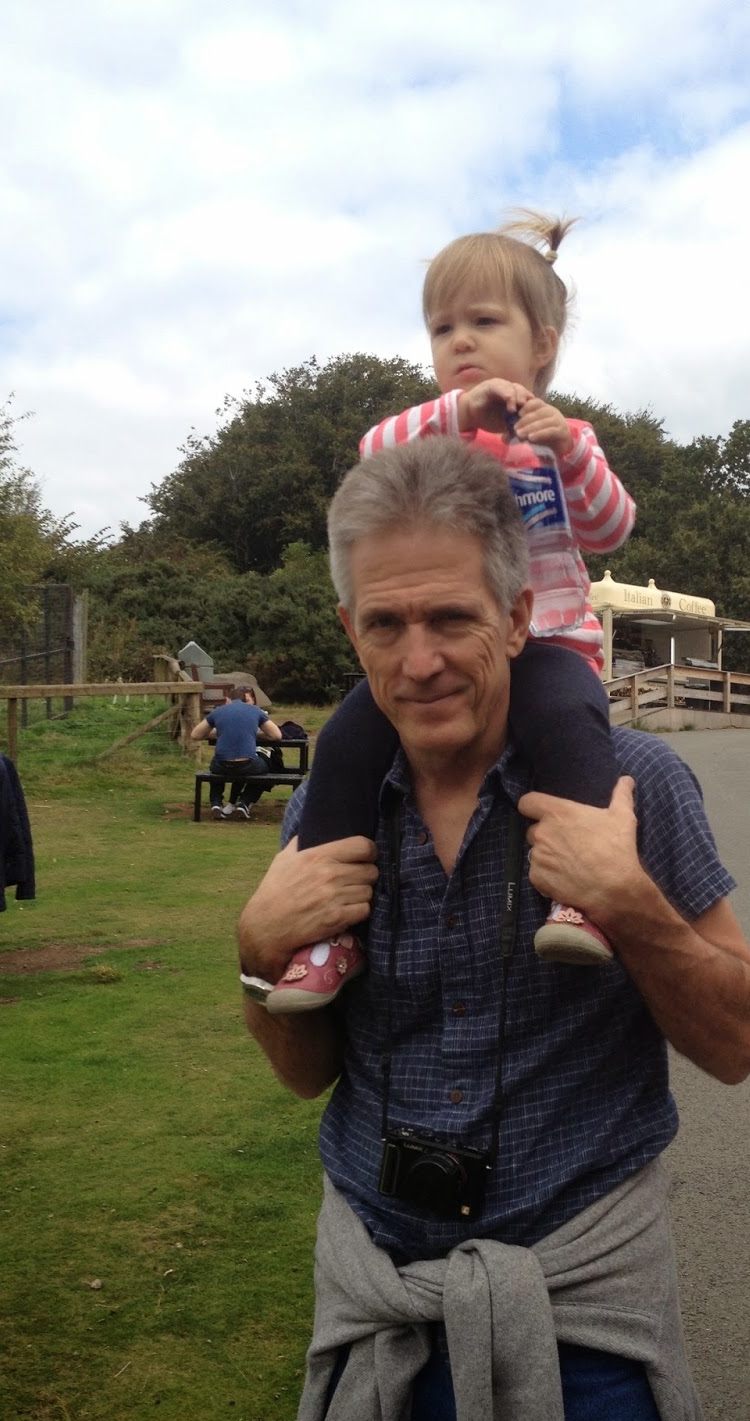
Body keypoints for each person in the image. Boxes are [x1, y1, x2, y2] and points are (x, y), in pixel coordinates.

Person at [241, 437, 750, 1421]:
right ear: (350, 632)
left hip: (577, 1327)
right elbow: (304, 1068)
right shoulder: (331, 813)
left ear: (521, 615)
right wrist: (254, 955)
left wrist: (631, 904)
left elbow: (738, 1041)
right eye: (386, 624)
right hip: (380, 1309)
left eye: (451, 618)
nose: (419, 659)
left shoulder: (632, 787)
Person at [267, 212, 634, 1014]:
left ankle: (582, 899)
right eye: (442, 328)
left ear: (542, 344)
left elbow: (611, 528)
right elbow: (372, 453)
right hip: (448, 642)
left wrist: (570, 453)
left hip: (550, 646)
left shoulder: (569, 440)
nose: (460, 341)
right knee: (345, 743)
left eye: (484, 322)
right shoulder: (435, 434)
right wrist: (459, 416)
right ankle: (326, 933)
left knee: (570, 726)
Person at [190, 684, 282, 821]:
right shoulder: (255, 711)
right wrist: (255, 734)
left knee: (215, 764)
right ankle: (245, 802)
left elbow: (195, 735)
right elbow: (277, 735)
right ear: (245, 698)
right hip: (247, 764)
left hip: (222, 765)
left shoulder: (218, 711)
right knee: (267, 766)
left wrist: (220, 731)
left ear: (228, 699)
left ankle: (216, 803)